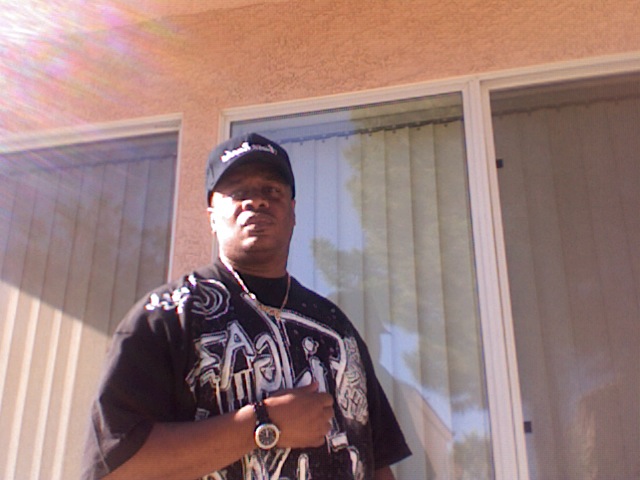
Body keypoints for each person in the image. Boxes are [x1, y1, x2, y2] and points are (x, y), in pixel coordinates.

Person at [82, 133, 411, 480]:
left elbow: (376, 462)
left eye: (272, 191)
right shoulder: (167, 316)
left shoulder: (335, 330)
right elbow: (116, 464)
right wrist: (264, 424)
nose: (257, 201)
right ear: (212, 217)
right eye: (239, 192)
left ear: (293, 213)